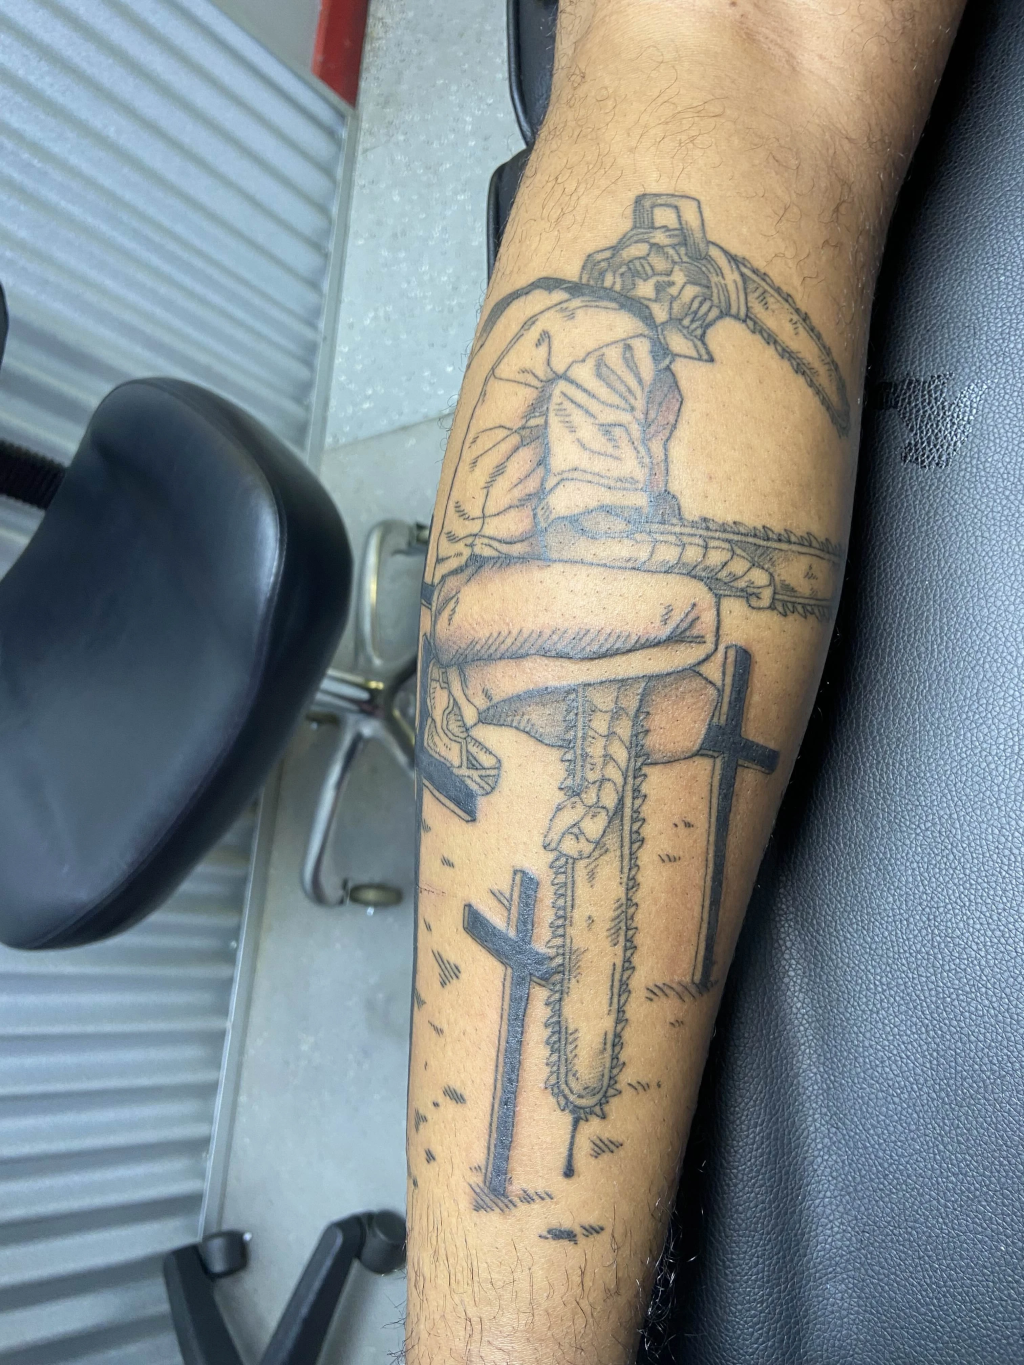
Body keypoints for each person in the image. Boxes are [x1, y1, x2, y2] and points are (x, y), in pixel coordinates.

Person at [405, 3, 966, 1361]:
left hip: (571, 611)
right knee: (666, 606)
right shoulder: (600, 344)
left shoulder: (617, 353)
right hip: (556, 604)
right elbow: (733, 50)